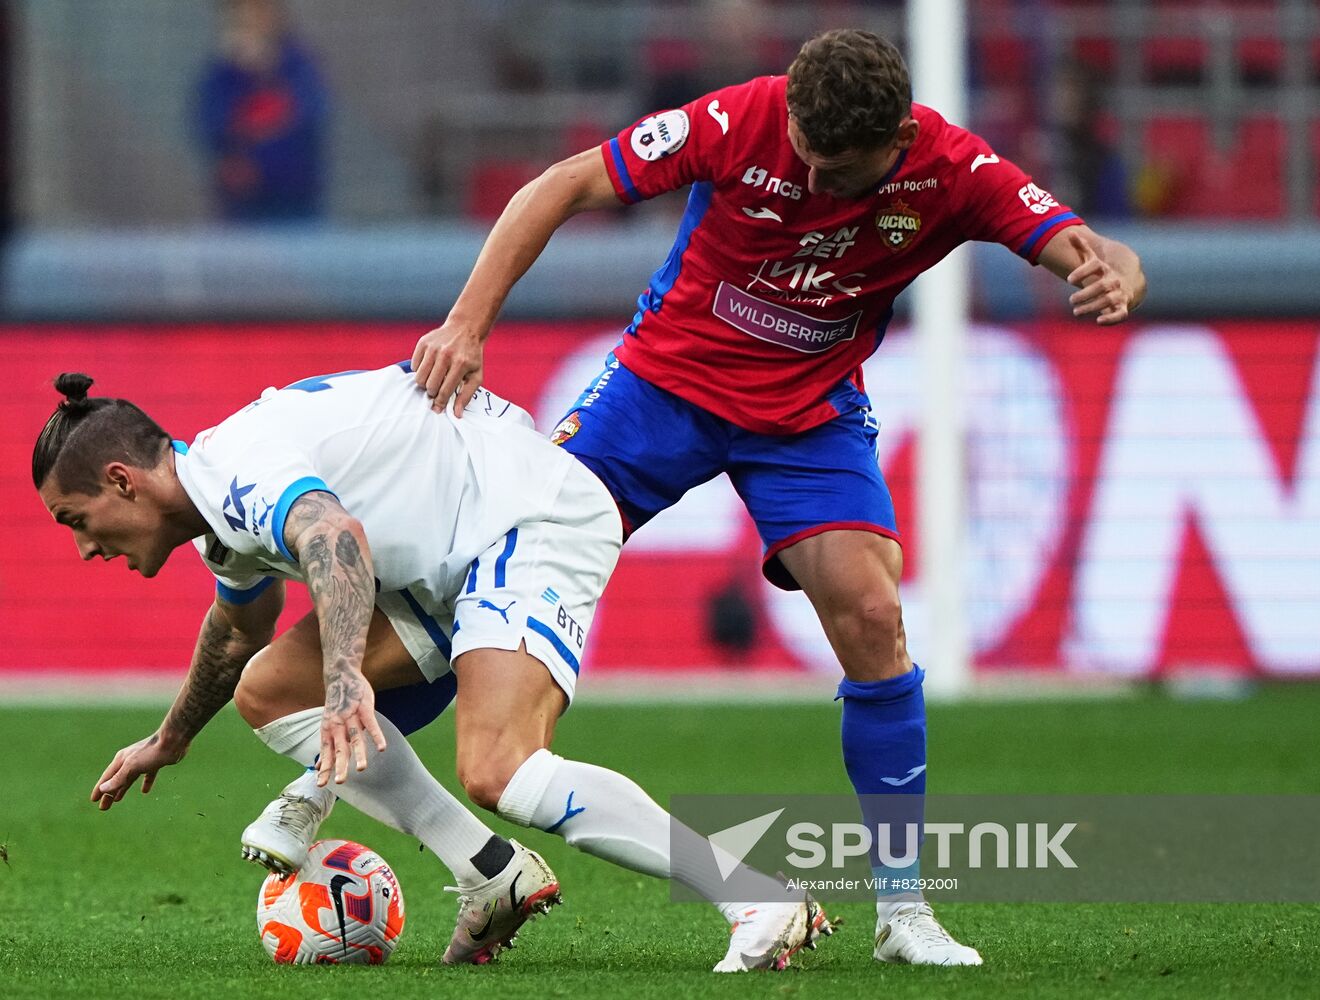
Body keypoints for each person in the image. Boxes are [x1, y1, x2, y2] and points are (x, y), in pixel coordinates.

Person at [409, 28, 1147, 967]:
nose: (804, 172)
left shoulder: (956, 169)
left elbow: (1089, 244)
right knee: (483, 574)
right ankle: (387, 776)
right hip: (659, 392)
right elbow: (560, 185)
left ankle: (905, 915)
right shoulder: (739, 118)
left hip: (806, 415)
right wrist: (466, 325)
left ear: (895, 147)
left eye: (833, 168)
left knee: (874, 612)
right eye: (798, 148)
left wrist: (1112, 271)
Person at [33, 365, 830, 972]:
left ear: (121, 480)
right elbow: (237, 630)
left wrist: (347, 673)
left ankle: (752, 891)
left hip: (522, 518)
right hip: (447, 562)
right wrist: (170, 739)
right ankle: (490, 874)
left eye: (78, 521)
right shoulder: (219, 510)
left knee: (501, 770)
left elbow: (334, 535)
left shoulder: (237, 470)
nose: (84, 548)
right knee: (272, 692)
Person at [196, 0, 328, 222]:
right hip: (241, 210)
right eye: (241, 18)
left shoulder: (300, 68)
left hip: (296, 204)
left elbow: (305, 118)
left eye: (258, 13)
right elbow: (214, 128)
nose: (252, 23)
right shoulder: (220, 76)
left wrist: (265, 71)